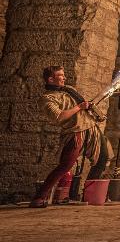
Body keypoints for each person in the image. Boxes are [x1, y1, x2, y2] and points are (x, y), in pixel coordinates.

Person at [29, 65, 112, 208]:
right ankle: (39, 198)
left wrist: (93, 110)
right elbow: (59, 117)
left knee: (102, 158)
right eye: (61, 75)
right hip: (75, 132)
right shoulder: (47, 98)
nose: (64, 77)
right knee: (65, 165)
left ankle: (90, 194)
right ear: (50, 79)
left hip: (92, 128)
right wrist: (79, 107)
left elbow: (85, 107)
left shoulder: (69, 90)